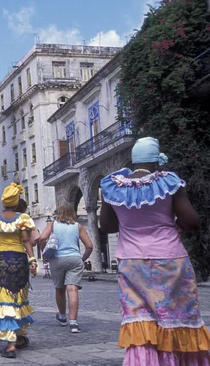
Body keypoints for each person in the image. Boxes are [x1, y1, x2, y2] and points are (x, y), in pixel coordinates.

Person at [100, 137, 210, 365]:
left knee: (139, 320)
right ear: (157, 161)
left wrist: (130, 221)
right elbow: (192, 221)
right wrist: (171, 221)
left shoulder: (113, 185)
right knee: (176, 318)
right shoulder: (168, 182)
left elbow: (107, 227)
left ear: (133, 160)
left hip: (131, 262)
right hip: (170, 260)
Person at [0, 183, 37, 359]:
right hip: (19, 260)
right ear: (16, 201)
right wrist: (32, 259)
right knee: (19, 297)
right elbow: (27, 240)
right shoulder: (23, 218)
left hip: (2, 261)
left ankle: (11, 344)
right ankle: (18, 337)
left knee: (5, 299)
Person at [39, 203, 93, 334]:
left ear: (58, 212)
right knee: (72, 289)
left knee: (59, 289)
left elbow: (42, 238)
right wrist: (82, 259)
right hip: (74, 258)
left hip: (57, 259)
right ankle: (73, 322)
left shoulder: (53, 224)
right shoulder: (77, 226)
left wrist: (45, 253)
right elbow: (90, 246)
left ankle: (62, 316)